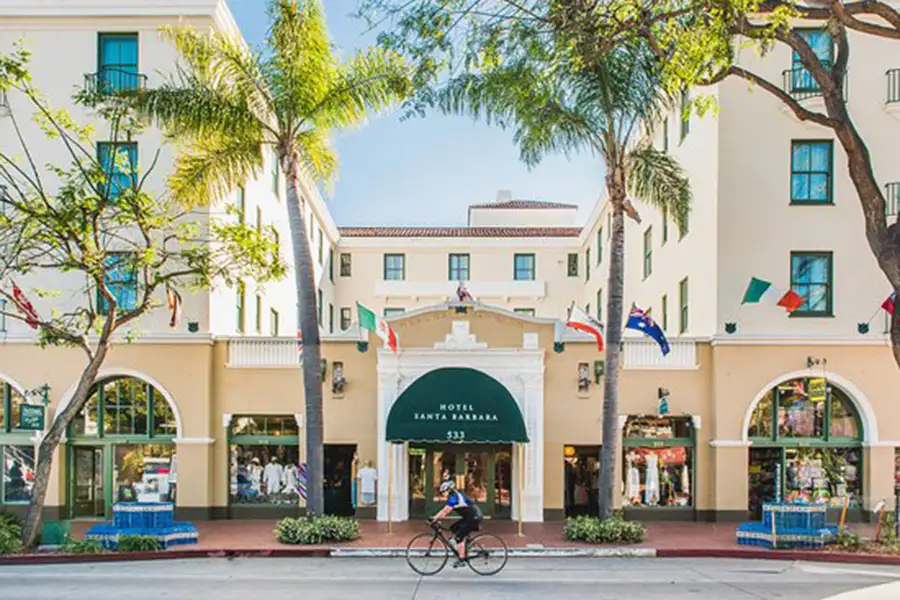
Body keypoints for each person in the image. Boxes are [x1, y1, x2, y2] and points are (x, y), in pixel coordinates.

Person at [430, 479, 483, 567]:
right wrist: (438, 518)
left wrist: (434, 518)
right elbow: (445, 512)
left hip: (474, 518)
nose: (442, 493)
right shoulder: (455, 495)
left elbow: (445, 511)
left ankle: (461, 560)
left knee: (459, 537)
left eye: (443, 491)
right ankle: (462, 547)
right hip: (469, 517)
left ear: (449, 490)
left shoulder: (454, 497)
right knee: (453, 528)